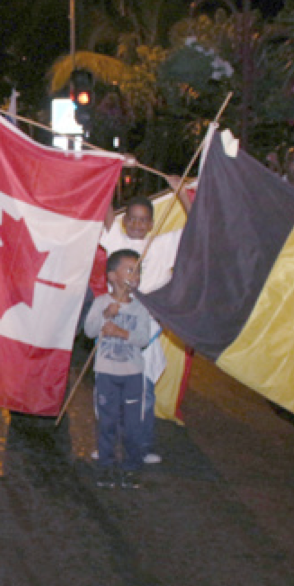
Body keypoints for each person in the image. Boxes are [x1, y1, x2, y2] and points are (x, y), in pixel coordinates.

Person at [97, 194, 185, 464]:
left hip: (144, 333)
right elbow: (105, 207)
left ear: (151, 224)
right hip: (113, 328)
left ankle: (141, 447)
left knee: (143, 396)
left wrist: (179, 192)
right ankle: (107, 447)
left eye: (143, 219)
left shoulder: (161, 245)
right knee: (108, 395)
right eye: (132, 218)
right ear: (125, 221)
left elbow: (196, 227)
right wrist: (115, 168)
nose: (137, 223)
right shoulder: (117, 242)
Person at [84, 249, 153, 490]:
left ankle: (132, 467)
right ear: (112, 276)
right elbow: (90, 331)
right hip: (106, 373)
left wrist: (121, 332)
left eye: (138, 271)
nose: (135, 276)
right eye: (130, 270)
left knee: (133, 425)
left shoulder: (141, 307)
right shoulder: (102, 302)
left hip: (133, 374)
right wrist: (105, 317)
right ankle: (105, 466)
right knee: (107, 422)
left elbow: (143, 338)